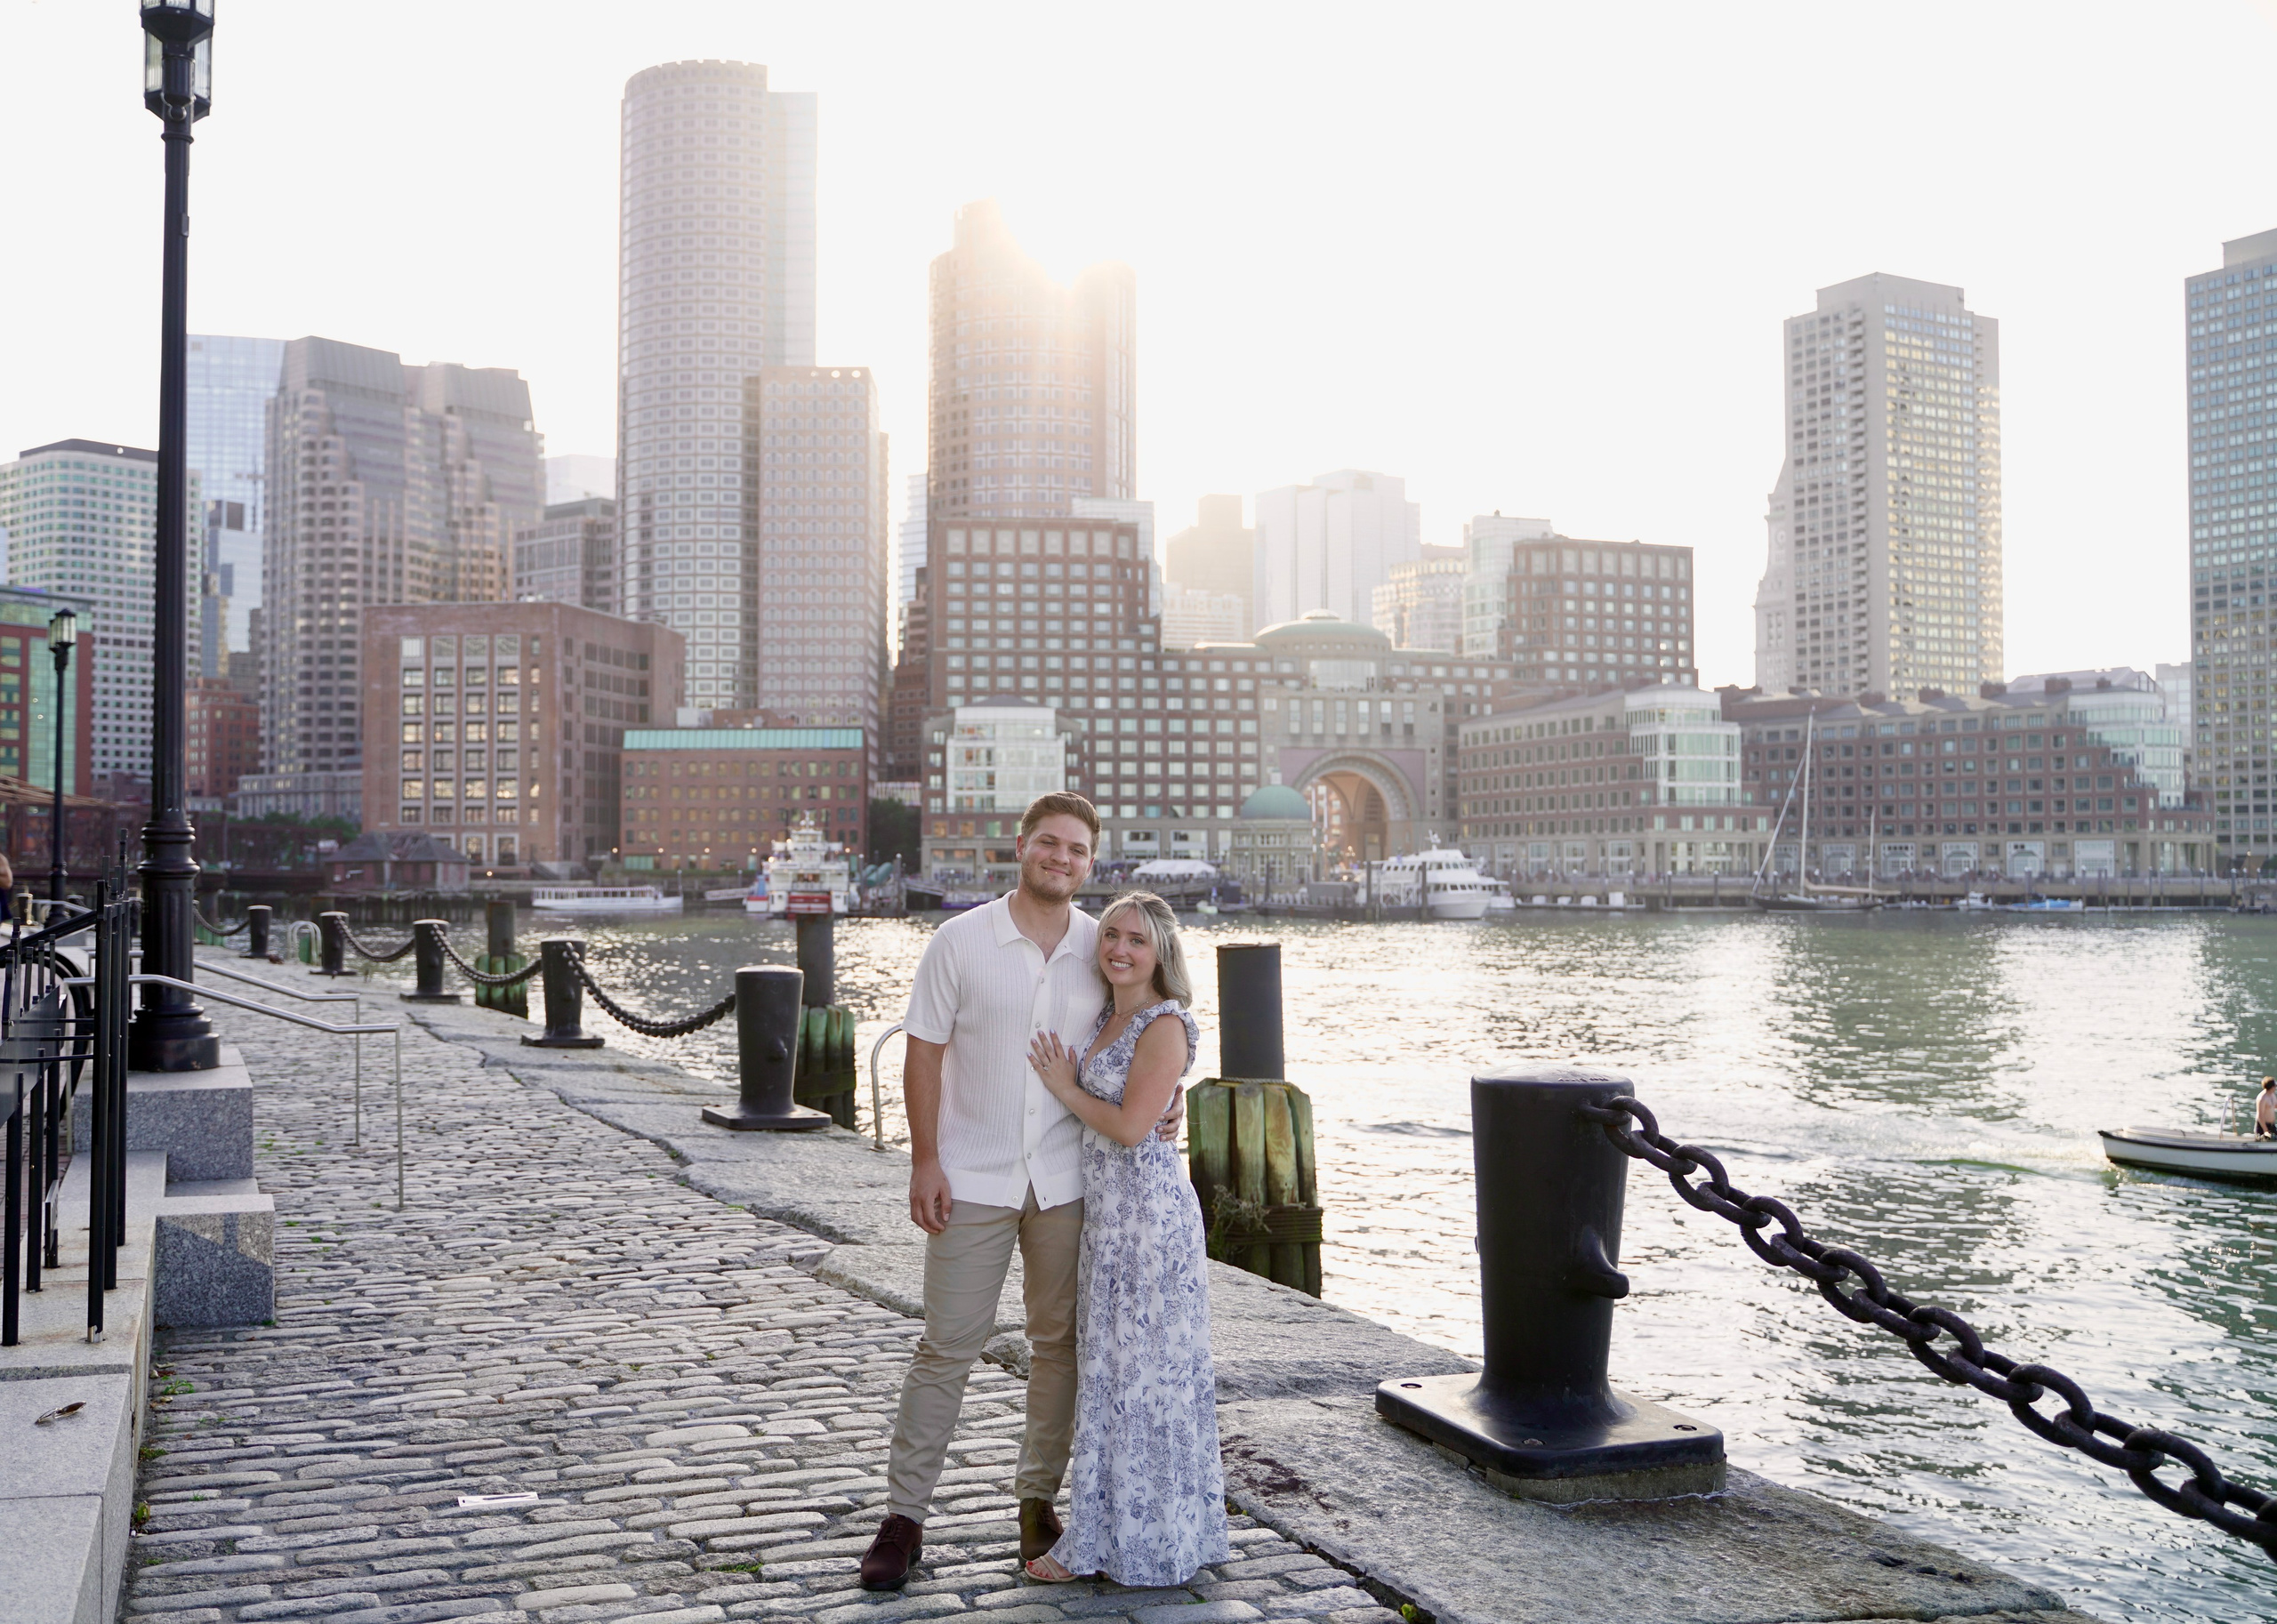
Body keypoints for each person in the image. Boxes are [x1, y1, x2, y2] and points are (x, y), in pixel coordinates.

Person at [860, 793, 1181, 1592]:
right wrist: (923, 1160)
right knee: (946, 1346)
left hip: (1070, 1181)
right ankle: (904, 1517)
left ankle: (1037, 1503)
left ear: (1090, 862)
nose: (1061, 859)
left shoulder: (1101, 946)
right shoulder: (959, 940)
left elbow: (1148, 1031)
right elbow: (924, 1054)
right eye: (1049, 844)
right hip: (971, 1174)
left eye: (1077, 850)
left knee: (1059, 1348)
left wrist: (1174, 1097)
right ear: (1021, 846)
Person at [1020, 890, 1227, 1588]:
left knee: (1147, 1383)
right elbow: (1144, 1104)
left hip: (1148, 1226)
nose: (1120, 950)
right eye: (1111, 936)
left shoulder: (1164, 1023)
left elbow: (1132, 1127)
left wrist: (1061, 1084)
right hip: (1108, 1224)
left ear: (1161, 953)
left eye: (1137, 940)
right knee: (1113, 1382)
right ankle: (1111, 1535)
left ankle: (1152, 1543)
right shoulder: (1111, 1015)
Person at [2257, 1076, 2275, 1141]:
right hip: (2263, 1126)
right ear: (2272, 1087)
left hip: (2272, 1126)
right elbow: (2260, 1115)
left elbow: (2274, 1105)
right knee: (2264, 1142)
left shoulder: (2272, 1095)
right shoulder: (2262, 1098)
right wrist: (2265, 1130)